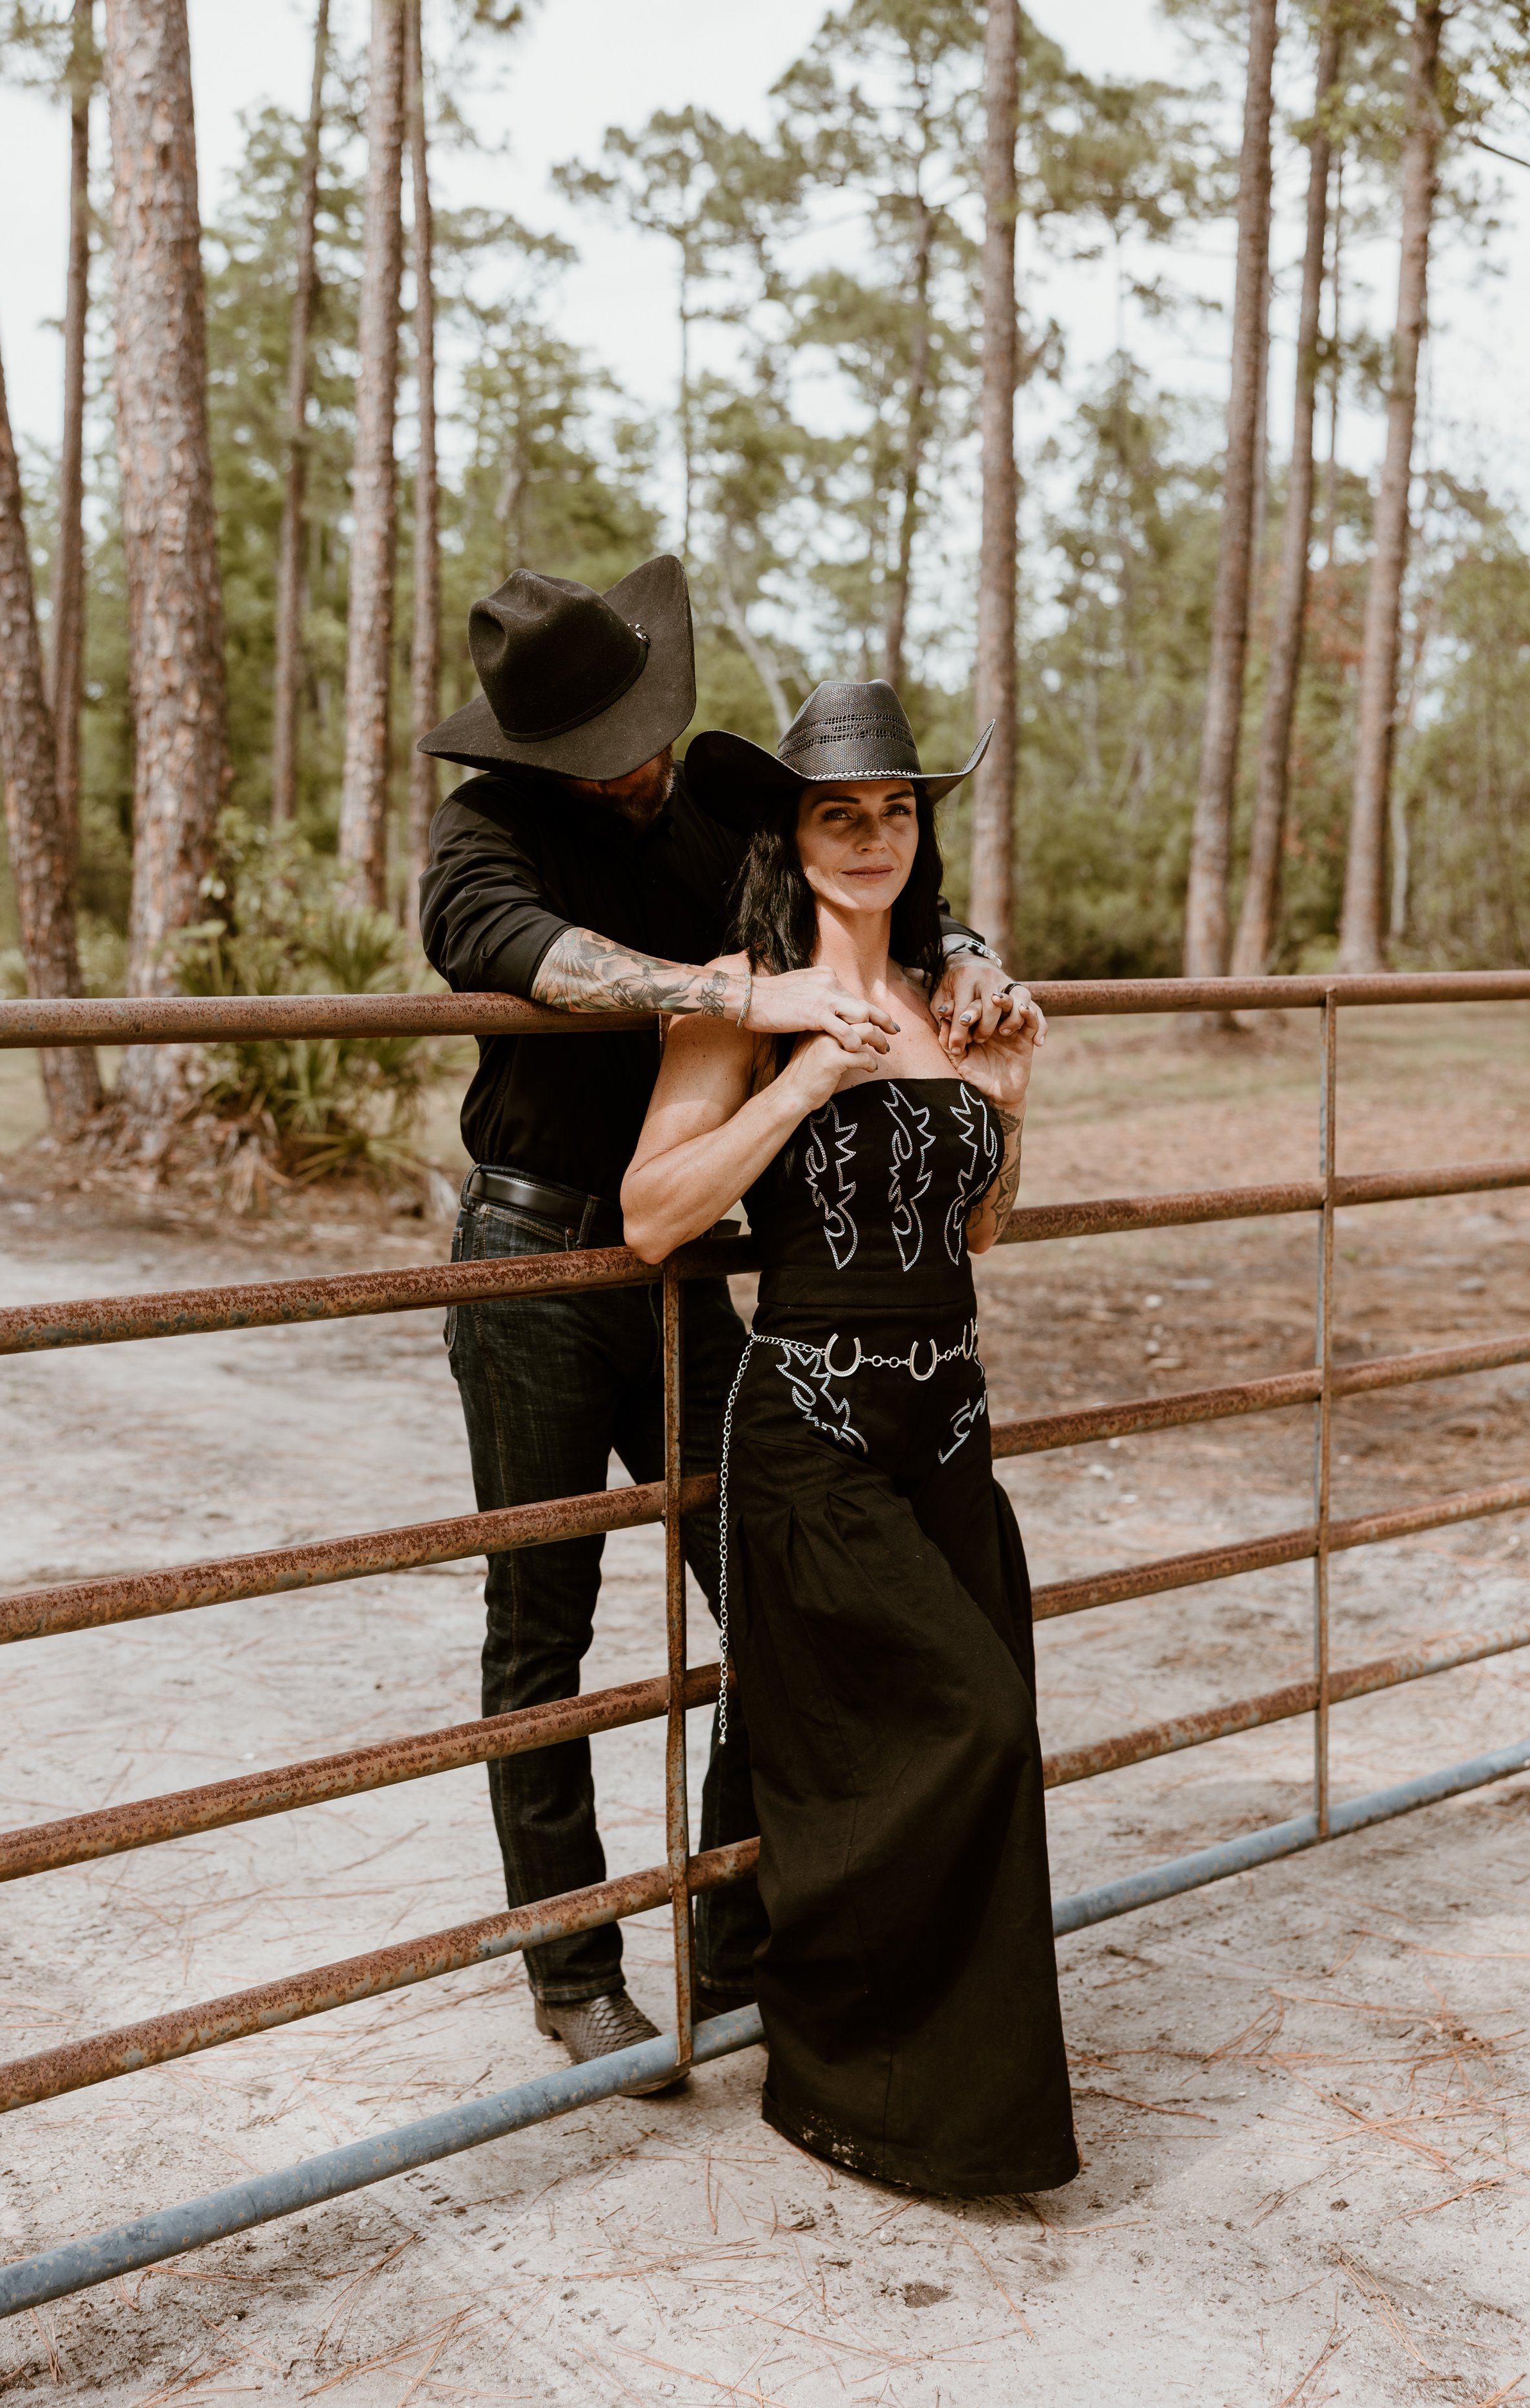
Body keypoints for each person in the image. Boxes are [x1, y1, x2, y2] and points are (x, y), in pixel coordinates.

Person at [416, 559, 1013, 2092]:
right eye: (594, 755)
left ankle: (730, 1935)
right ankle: (572, 1968)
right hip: (539, 1246)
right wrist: (739, 1007)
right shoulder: (482, 835)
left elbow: (851, 889)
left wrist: (964, 959)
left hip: (688, 1260)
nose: (631, 768)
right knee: (541, 1620)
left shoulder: (700, 814)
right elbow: (524, 952)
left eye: (645, 734)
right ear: (530, 756)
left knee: (772, 1592)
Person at [621, 678, 1079, 2194]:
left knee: (990, 1733)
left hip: (948, 1425)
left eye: (895, 812)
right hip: (809, 1427)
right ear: (791, 834)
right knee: (965, 1723)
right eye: (839, 814)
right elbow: (651, 1218)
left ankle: (965, 2110)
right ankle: (848, 2075)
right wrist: (806, 1071)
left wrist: (1006, 1103)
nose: (872, 838)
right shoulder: (740, 998)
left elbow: (977, 1233)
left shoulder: (953, 993)